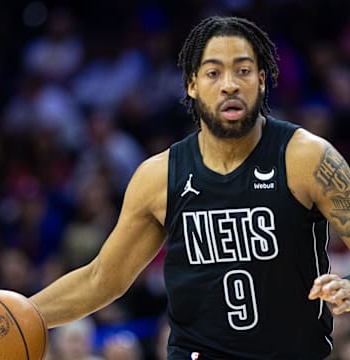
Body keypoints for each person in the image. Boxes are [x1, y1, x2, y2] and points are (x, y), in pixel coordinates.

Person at [28, 16, 350, 359]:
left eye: (242, 71)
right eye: (213, 73)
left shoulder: (307, 158)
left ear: (261, 80)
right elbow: (101, 280)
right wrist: (17, 314)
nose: (229, 85)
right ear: (192, 84)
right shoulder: (159, 177)